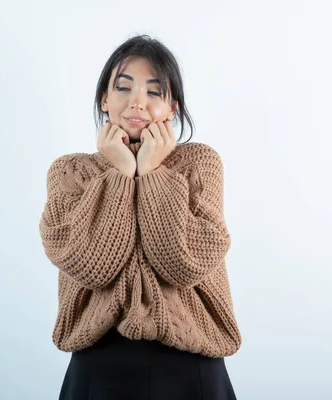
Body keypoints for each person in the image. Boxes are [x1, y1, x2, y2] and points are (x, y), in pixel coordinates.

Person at [39, 34, 242, 400]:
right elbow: (90, 264)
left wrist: (151, 171)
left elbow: (183, 263)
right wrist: (119, 173)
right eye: (123, 87)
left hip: (192, 365)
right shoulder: (70, 172)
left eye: (154, 91)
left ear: (172, 108)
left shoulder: (199, 163)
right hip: (97, 365)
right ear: (104, 99)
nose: (137, 101)